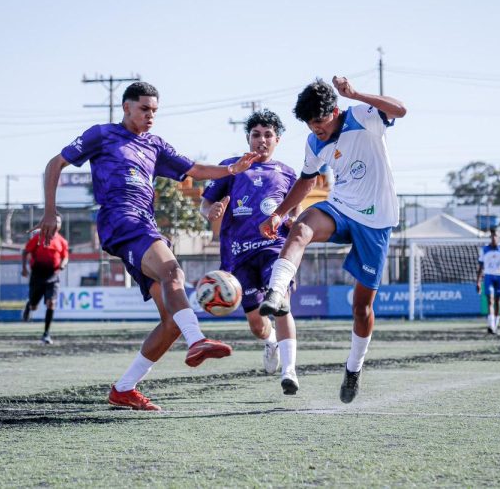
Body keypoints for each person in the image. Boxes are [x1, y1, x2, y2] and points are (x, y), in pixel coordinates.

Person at [35, 81, 260, 411]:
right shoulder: (102, 134)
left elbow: (195, 170)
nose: (150, 115)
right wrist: (50, 210)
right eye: (144, 109)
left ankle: (124, 388)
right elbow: (55, 164)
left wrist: (231, 169)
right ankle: (198, 340)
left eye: (154, 110)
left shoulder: (155, 144)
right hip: (120, 219)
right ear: (126, 107)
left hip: (144, 225)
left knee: (171, 320)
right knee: (172, 271)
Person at [257, 76, 407, 404]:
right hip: (340, 208)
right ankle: (277, 292)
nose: (316, 129)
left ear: (335, 111)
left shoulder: (363, 116)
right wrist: (279, 214)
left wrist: (356, 93)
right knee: (300, 229)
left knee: (361, 307)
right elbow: (306, 181)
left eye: (320, 122)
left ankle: (354, 368)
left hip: (377, 221)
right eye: (310, 124)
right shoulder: (314, 143)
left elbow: (400, 109)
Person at [199, 109, 301, 394]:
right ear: (248, 138)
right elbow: (205, 205)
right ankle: (270, 342)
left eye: (268, 135)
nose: (262, 140)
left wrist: (293, 220)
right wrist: (211, 211)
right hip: (238, 255)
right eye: (256, 134)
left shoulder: (287, 173)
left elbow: (296, 210)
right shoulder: (231, 167)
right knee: (257, 325)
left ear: (277, 140)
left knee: (280, 302)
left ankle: (290, 371)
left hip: (274, 248)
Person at [21, 213, 69, 344]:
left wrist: (63, 264)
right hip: (37, 275)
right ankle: (29, 305)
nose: (56, 224)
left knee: (51, 302)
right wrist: (24, 268)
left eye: (58, 222)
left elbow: (65, 257)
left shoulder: (62, 241)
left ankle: (46, 334)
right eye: (55, 221)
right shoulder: (39, 237)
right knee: (34, 306)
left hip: (53, 276)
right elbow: (26, 251)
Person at [475, 228, 500, 335]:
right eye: (492, 236)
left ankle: (495, 325)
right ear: (490, 237)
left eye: (496, 236)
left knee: (498, 301)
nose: (494, 238)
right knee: (490, 300)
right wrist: (478, 281)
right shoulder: (485, 249)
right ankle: (491, 326)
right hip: (489, 276)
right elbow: (480, 266)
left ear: (499, 237)